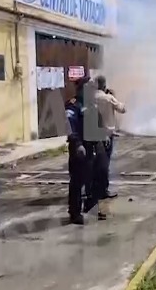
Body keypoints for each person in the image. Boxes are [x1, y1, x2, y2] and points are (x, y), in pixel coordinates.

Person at [83, 76, 126, 220]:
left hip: (92, 135)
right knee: (104, 164)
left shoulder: (90, 98)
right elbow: (123, 109)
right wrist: (113, 96)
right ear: (104, 85)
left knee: (93, 164)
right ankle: (102, 192)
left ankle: (91, 192)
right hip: (107, 134)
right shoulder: (108, 98)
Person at [65, 78, 89, 225]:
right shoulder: (73, 105)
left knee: (89, 179)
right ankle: (74, 213)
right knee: (77, 182)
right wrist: (78, 144)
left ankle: (88, 207)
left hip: (89, 148)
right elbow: (69, 127)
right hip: (78, 149)